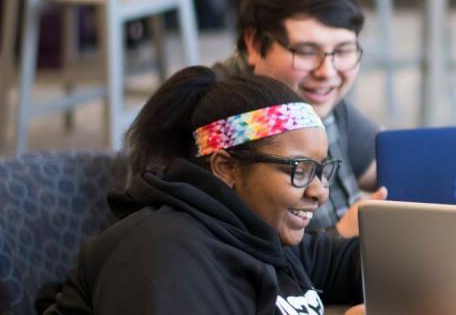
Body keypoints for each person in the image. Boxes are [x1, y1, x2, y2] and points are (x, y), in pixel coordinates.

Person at [42, 67, 365, 314]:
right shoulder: (168, 256)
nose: (320, 192)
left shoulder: (258, 231)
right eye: (300, 170)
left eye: (321, 169)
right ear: (226, 167)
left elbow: (343, 262)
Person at [215, 0, 385, 237]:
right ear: (254, 44)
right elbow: (244, 260)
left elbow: (391, 166)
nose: (327, 72)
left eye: (343, 51)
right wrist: (340, 237)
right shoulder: (224, 123)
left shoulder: (313, 98)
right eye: (306, 52)